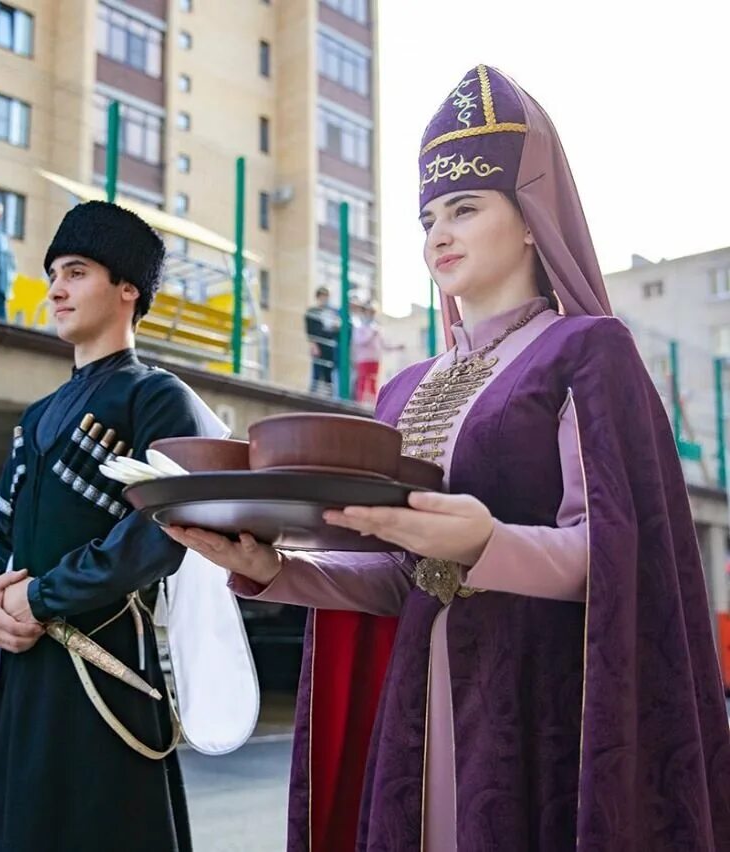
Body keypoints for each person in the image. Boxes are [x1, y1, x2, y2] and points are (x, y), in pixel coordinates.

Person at [166, 65, 730, 850]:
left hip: (539, 708)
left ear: (532, 218)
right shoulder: (403, 389)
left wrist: (485, 545)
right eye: (429, 216)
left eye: (465, 208)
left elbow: (622, 557)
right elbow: (405, 574)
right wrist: (273, 567)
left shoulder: (588, 353)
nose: (439, 234)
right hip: (415, 712)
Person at [0, 200, 214, 851]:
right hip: (23, 663)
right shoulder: (40, 411)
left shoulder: (155, 396)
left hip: (103, 666)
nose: (57, 289)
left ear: (128, 288)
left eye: (76, 272)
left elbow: (159, 532)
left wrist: (41, 596)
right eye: (53, 275)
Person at [351, 302, 399, 406]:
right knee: (363, 381)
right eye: (369, 312)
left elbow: (384, 345)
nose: (371, 315)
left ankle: (373, 404)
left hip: (375, 359)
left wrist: (396, 347)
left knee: (373, 381)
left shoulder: (377, 328)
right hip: (363, 359)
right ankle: (360, 403)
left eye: (373, 312)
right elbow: (359, 342)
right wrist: (371, 335)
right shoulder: (360, 327)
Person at [304, 286, 339, 396]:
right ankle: (313, 394)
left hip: (329, 346)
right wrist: (313, 344)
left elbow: (336, 330)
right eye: (322, 296)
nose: (325, 298)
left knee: (328, 373)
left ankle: (329, 396)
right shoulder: (312, 312)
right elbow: (310, 331)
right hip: (318, 344)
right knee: (317, 371)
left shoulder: (332, 313)